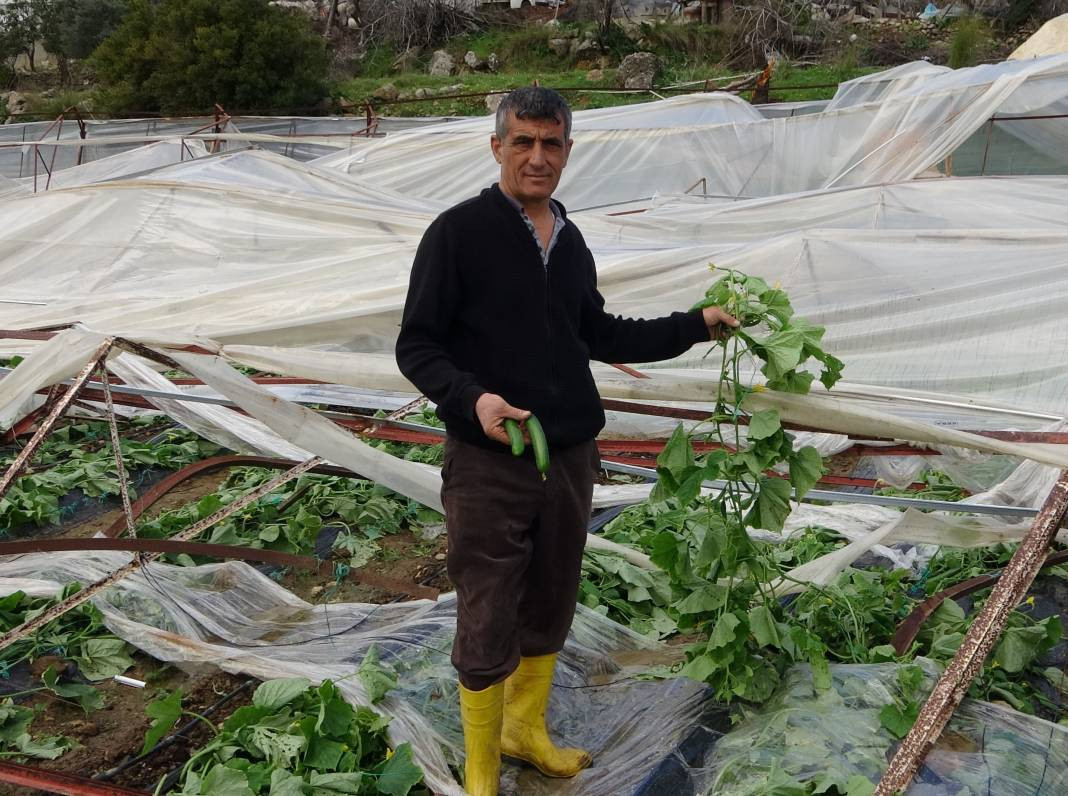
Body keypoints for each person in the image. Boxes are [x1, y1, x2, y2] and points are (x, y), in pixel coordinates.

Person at [395, 86, 737, 796]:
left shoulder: (570, 238)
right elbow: (417, 346)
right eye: (523, 142)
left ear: (568, 151)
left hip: (570, 455)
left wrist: (694, 324)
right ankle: (484, 767)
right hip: (492, 458)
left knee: (551, 596)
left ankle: (527, 731)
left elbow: (600, 333)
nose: (537, 157)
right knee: (488, 605)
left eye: (551, 144)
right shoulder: (457, 233)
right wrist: (474, 398)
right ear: (497, 147)